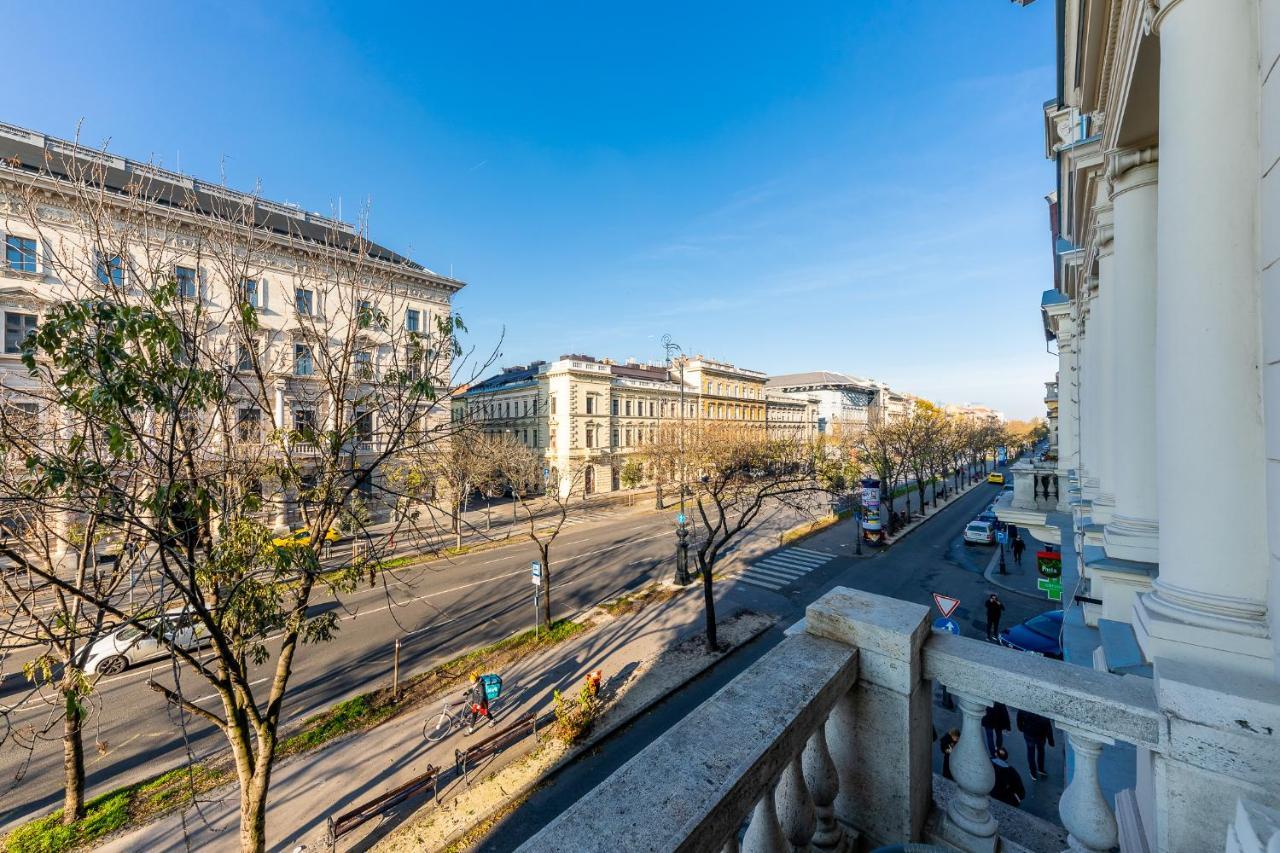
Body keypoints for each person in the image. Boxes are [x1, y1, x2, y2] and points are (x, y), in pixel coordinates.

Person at [1017, 709, 1055, 779]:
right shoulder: (1043, 710)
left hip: (1029, 734)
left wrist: (1021, 728)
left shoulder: (1024, 707)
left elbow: (1019, 718)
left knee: (1031, 752)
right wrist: (1050, 740)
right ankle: (1040, 769)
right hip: (1041, 736)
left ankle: (1033, 772)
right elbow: (1048, 726)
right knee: (1041, 751)